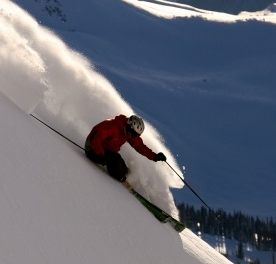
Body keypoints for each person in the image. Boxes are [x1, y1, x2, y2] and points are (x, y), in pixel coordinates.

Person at [85, 114, 167, 183]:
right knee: (115, 160)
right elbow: (96, 139)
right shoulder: (112, 126)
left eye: (136, 135)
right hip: (92, 149)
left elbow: (139, 146)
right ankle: (120, 179)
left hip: (106, 151)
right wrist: (100, 154)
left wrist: (155, 156)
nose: (133, 136)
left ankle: (126, 177)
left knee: (121, 163)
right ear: (129, 126)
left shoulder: (128, 133)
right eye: (133, 134)